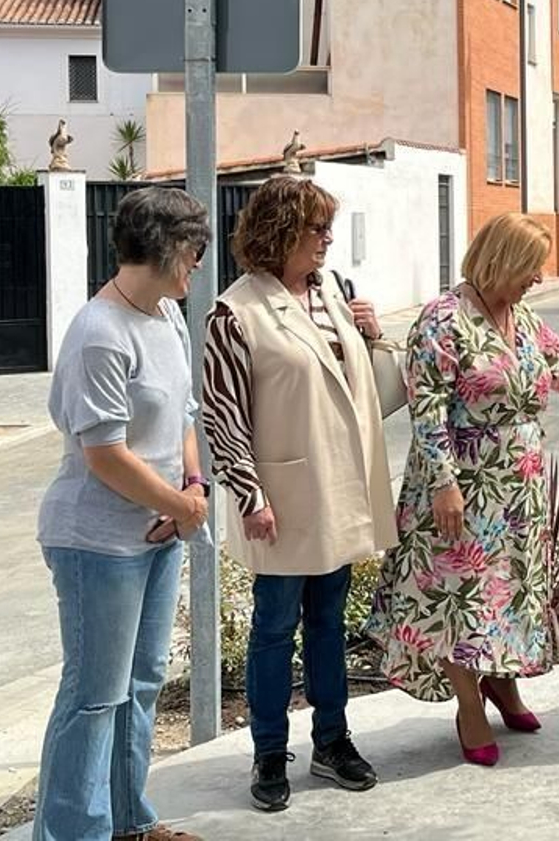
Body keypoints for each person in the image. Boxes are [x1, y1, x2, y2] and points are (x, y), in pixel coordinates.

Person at [367, 213, 559, 767]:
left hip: (518, 490)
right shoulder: (442, 319)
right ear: (502, 261)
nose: (537, 280)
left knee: (510, 593)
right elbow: (428, 410)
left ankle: (503, 683)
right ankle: (470, 704)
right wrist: (444, 484)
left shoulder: (524, 319)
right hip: (459, 489)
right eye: (530, 269)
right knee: (462, 597)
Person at [202, 176, 397, 813]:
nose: (327, 240)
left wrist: (370, 337)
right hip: (280, 497)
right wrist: (249, 492)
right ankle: (267, 751)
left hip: (336, 490)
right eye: (316, 228)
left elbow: (366, 394)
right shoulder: (235, 313)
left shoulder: (334, 295)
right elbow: (223, 414)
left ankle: (333, 741)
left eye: (326, 228)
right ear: (280, 230)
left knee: (327, 624)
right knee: (274, 625)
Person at [34, 186, 211, 841]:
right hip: (97, 543)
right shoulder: (99, 335)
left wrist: (190, 486)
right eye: (193, 253)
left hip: (157, 531)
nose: (197, 266)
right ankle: (73, 833)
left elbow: (183, 419)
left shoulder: (165, 316)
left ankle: (130, 823)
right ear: (164, 250)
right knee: (93, 697)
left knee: (138, 686)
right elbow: (104, 454)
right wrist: (181, 507)